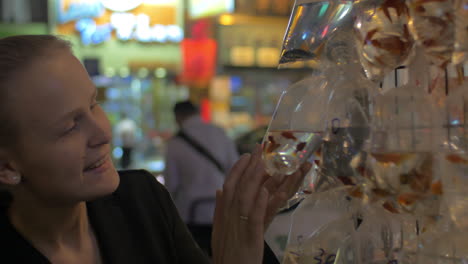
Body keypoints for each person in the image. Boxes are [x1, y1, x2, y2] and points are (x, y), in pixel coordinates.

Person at [0, 35, 311, 264]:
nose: (102, 132)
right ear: (7, 167)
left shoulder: (141, 200)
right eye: (69, 127)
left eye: (94, 104)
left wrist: (248, 235)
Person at [164, 101, 239, 254]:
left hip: (190, 214)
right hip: (221, 209)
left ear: (177, 117)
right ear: (197, 112)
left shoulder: (174, 143)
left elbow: (171, 184)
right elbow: (235, 168)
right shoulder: (219, 133)